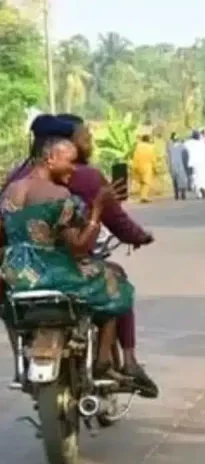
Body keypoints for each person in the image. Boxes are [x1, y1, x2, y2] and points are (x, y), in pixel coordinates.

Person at [1, 137, 133, 382]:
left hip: (15, 271)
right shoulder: (59, 195)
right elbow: (80, 248)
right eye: (70, 162)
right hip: (50, 271)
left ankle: (23, 362)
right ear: (50, 158)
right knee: (114, 280)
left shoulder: (11, 189)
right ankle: (104, 361)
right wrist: (97, 209)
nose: (74, 169)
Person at [53, 114, 159, 397]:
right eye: (85, 138)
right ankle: (125, 361)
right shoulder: (84, 177)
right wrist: (139, 236)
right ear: (65, 147)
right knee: (116, 281)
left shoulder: (18, 179)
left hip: (26, 271)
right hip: (70, 262)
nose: (91, 143)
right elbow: (116, 222)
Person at [185, 130, 205, 199]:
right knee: (203, 177)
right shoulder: (204, 144)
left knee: (195, 178)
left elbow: (185, 153)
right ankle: (203, 188)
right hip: (203, 163)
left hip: (192, 163)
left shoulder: (187, 143)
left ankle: (199, 193)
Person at [132, 134, 157, 203]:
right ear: (148, 140)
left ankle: (142, 196)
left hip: (139, 166)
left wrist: (134, 167)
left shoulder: (138, 147)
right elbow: (153, 159)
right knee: (146, 183)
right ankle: (144, 197)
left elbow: (135, 157)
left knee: (142, 182)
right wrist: (155, 167)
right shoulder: (151, 147)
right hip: (147, 166)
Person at [166, 133, 189, 201]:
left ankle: (176, 194)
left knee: (175, 180)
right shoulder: (183, 146)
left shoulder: (170, 147)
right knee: (182, 179)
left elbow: (168, 157)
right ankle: (183, 194)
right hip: (181, 165)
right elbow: (186, 156)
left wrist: (168, 166)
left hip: (173, 165)